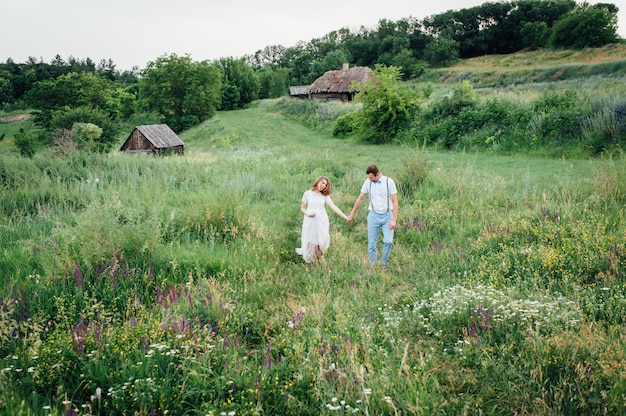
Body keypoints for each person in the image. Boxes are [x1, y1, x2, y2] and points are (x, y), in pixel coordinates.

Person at [347, 164, 398, 269]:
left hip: (387, 215)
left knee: (388, 241)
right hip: (373, 216)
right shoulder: (367, 182)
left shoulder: (389, 182)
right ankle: (373, 264)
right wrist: (352, 213)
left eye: (371, 177)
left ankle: (384, 263)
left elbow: (395, 201)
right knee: (371, 243)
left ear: (377, 174)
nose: (369, 179)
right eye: (368, 177)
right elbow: (360, 198)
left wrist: (394, 219)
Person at [296, 176, 349, 264]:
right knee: (311, 241)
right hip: (310, 220)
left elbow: (333, 207)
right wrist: (307, 213)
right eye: (323, 183)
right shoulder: (307, 193)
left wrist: (345, 216)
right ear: (318, 182)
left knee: (320, 240)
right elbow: (302, 207)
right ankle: (317, 261)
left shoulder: (325, 196)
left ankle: (322, 258)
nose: (324, 186)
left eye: (326, 184)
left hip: (321, 220)